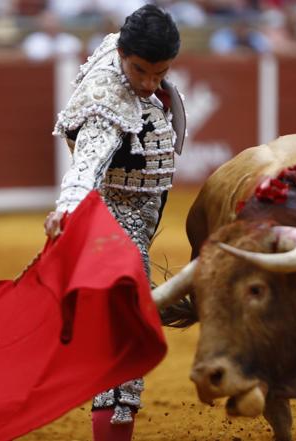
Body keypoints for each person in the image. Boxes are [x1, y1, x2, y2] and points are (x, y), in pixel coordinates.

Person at [45, 4, 185, 441]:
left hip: (138, 216)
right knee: (123, 350)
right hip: (116, 227)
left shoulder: (121, 47)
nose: (147, 85)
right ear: (123, 53)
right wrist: (67, 211)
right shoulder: (106, 100)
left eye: (159, 75)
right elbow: (85, 166)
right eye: (140, 71)